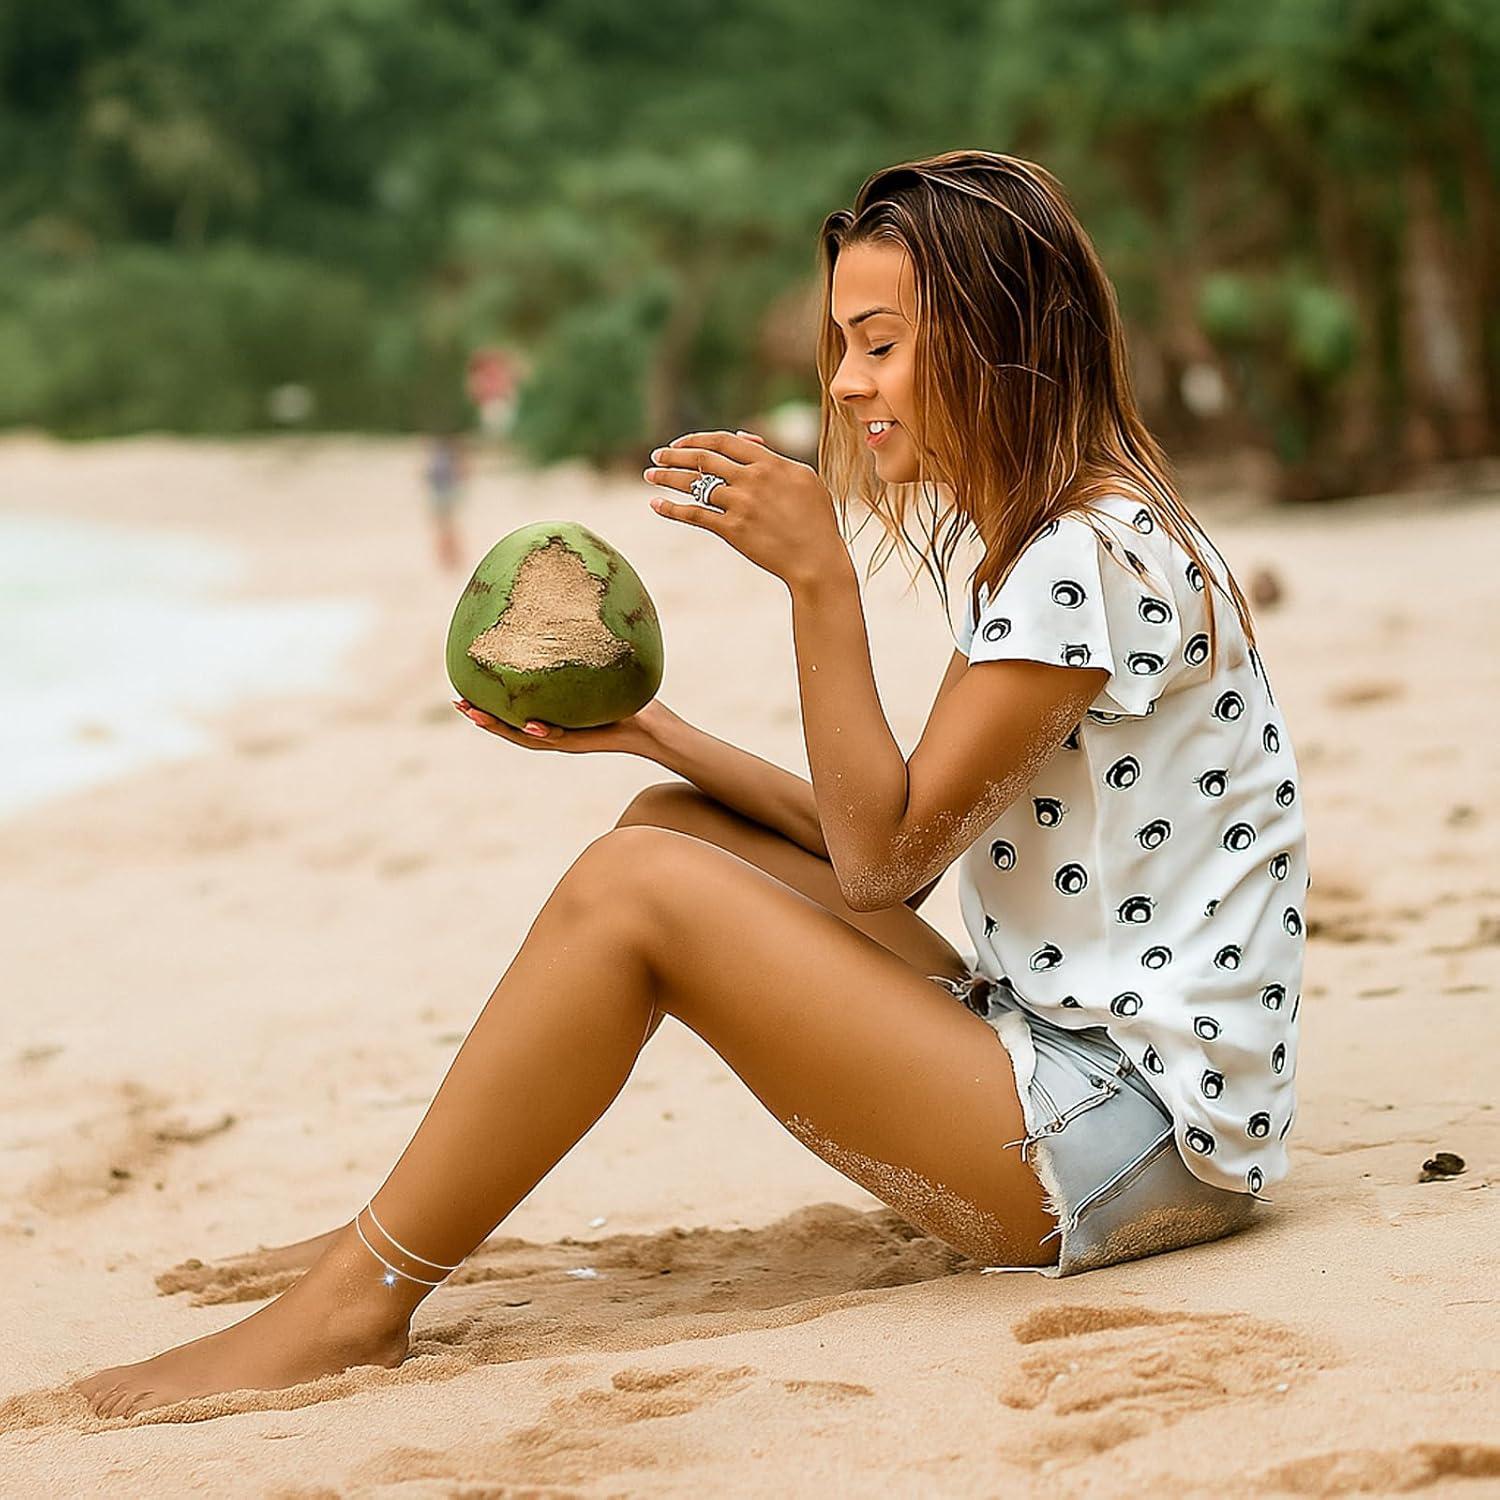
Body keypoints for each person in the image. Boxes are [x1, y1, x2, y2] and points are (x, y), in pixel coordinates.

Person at [76, 149, 1306, 1420]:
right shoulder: (1085, 535)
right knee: (670, 827)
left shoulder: (1077, 564)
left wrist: (818, 581)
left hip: (1122, 1146)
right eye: (842, 343)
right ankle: (402, 1227)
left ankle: (357, 1297)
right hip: (1094, 1084)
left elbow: (884, 865)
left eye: (880, 344)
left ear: (1007, 341)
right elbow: (905, 845)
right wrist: (658, 737)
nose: (844, 383)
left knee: (634, 890)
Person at [423, 432, 469, 573]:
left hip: (442, 497)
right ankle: (451, 558)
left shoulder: (440, 459)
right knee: (447, 529)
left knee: (445, 529)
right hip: (445, 496)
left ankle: (450, 558)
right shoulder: (448, 458)